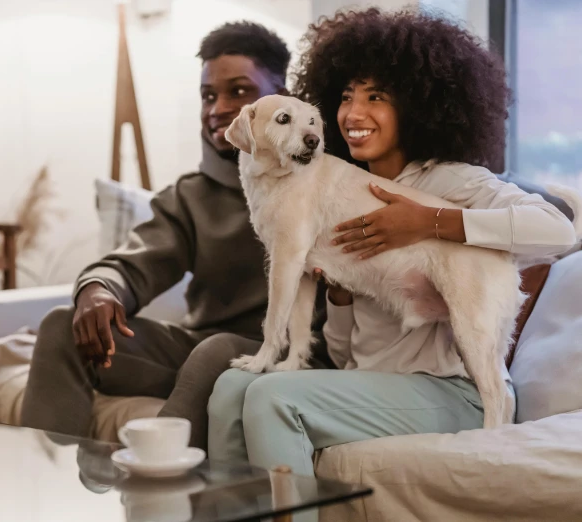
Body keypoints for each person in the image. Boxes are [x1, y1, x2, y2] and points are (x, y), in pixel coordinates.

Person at [207, 7, 578, 476]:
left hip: (451, 390)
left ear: (418, 105)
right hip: (369, 386)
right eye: (345, 96)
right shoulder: (336, 189)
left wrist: (430, 222)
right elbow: (345, 354)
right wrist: (339, 293)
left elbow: (558, 229)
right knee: (227, 391)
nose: (354, 113)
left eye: (376, 96)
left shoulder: (453, 180)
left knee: (270, 397)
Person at [21, 21, 330, 450]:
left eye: (239, 91)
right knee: (60, 327)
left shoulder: (322, 185)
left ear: (281, 93)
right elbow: (134, 260)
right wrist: (99, 288)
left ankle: (151, 494)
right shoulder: (190, 195)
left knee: (217, 351)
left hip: (290, 356)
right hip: (199, 356)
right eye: (208, 95)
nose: (218, 108)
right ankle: (42, 490)